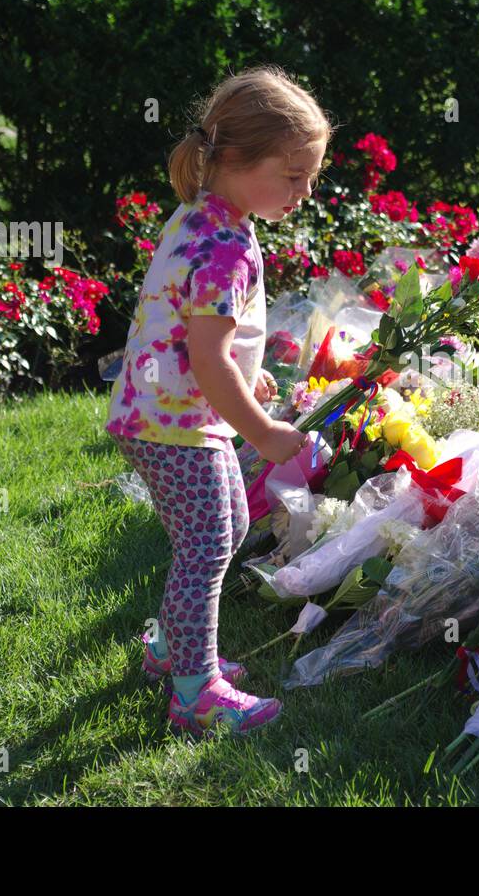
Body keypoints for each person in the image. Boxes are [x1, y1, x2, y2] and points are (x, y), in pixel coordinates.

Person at [106, 65, 332, 737]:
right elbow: (206, 357)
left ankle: (175, 650)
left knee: (223, 531)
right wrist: (263, 431)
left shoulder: (207, 215)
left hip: (162, 414)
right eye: (292, 175)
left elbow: (200, 338)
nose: (304, 191)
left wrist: (245, 373)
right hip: (173, 426)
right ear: (233, 158)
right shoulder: (224, 244)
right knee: (207, 544)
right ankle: (194, 693)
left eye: (310, 177)